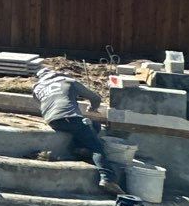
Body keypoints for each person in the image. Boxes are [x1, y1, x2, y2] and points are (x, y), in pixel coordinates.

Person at [34, 65, 123, 193]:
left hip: (53, 121)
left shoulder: (37, 89)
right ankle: (107, 178)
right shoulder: (68, 81)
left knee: (94, 126)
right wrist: (93, 107)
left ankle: (79, 149)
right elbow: (96, 98)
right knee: (97, 147)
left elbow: (43, 103)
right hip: (70, 118)